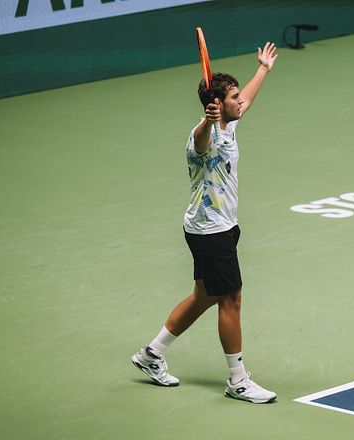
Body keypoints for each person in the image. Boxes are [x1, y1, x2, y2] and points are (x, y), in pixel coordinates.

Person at [131, 42, 278, 404]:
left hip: (218, 227)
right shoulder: (204, 134)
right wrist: (206, 122)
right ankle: (238, 380)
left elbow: (246, 102)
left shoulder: (230, 124)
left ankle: (151, 354)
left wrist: (263, 69)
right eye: (233, 96)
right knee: (231, 297)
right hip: (211, 231)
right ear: (216, 104)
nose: (239, 100)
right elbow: (200, 143)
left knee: (204, 295)